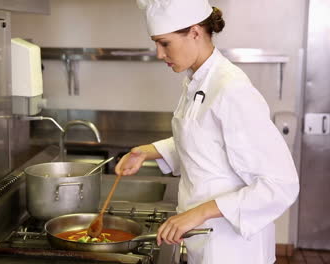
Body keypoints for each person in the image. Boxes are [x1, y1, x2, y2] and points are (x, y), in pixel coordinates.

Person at [114, 0, 300, 263]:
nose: (158, 54)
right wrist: (148, 152)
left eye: (164, 43)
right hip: (205, 241)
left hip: (235, 250)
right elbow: (205, 142)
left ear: (195, 32)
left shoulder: (232, 90)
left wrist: (199, 213)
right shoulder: (198, 80)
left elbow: (281, 185)